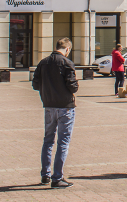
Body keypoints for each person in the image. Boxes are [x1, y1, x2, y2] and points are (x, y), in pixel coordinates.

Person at [32, 37, 78, 188]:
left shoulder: (43, 62)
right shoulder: (67, 63)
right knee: (63, 142)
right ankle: (57, 177)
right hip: (65, 106)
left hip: (49, 106)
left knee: (48, 140)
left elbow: (35, 84)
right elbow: (73, 87)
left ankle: (45, 175)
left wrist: (47, 92)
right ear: (67, 49)